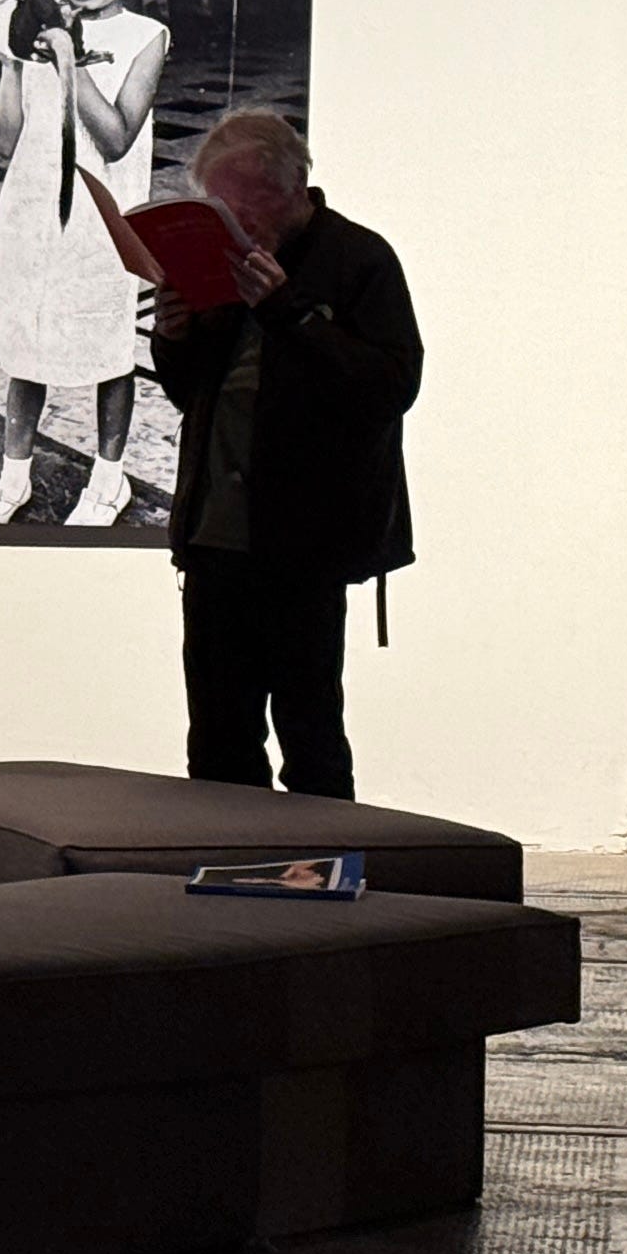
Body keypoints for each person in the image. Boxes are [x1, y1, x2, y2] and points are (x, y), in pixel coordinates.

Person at [143, 108, 422, 799]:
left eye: (242, 209)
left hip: (306, 545)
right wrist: (174, 338)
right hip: (216, 537)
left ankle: (320, 864)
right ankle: (226, 863)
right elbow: (195, 395)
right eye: (218, 210)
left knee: (311, 734)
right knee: (218, 740)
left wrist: (287, 310)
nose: (231, 226)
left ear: (292, 189)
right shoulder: (225, 261)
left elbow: (392, 386)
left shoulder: (360, 259)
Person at [0, 0, 169, 527]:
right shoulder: (38, 27)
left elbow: (115, 137)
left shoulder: (146, 37)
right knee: (27, 343)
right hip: (32, 214)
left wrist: (68, 58)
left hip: (102, 224)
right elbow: (5, 141)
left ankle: (109, 480)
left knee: (108, 348)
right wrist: (10, 61)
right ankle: (12, 477)